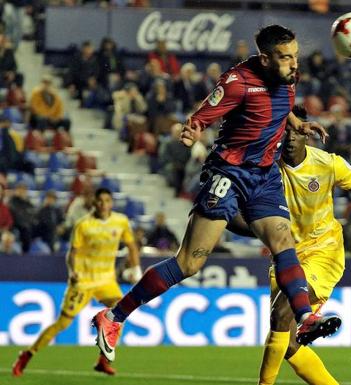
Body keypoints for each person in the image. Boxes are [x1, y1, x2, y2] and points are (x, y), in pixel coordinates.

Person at [92, 25, 335, 363]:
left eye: (295, 55)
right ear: (265, 59)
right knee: (189, 262)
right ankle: (114, 316)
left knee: (283, 241)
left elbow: (282, 106)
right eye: (285, 57)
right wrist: (192, 131)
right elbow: (203, 114)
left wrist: (297, 124)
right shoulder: (237, 83)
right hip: (228, 174)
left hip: (263, 176)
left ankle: (306, 319)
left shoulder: (287, 77)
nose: (294, 64)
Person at [226, 105, 351, 385]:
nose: (289, 138)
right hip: (285, 256)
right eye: (283, 131)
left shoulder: (327, 164)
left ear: (306, 133)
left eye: (294, 132)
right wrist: (263, 229)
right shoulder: (264, 171)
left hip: (323, 253)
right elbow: (235, 219)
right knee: (286, 344)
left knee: (283, 308)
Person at [12, 188, 141, 377]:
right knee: (62, 324)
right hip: (83, 281)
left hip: (106, 280)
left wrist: (136, 268)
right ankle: (26, 355)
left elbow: (131, 245)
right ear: (94, 203)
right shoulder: (84, 225)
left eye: (107, 200)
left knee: (120, 315)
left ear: (111, 203)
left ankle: (102, 361)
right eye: (100, 201)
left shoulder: (120, 221)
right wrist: (73, 272)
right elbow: (72, 253)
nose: (103, 204)